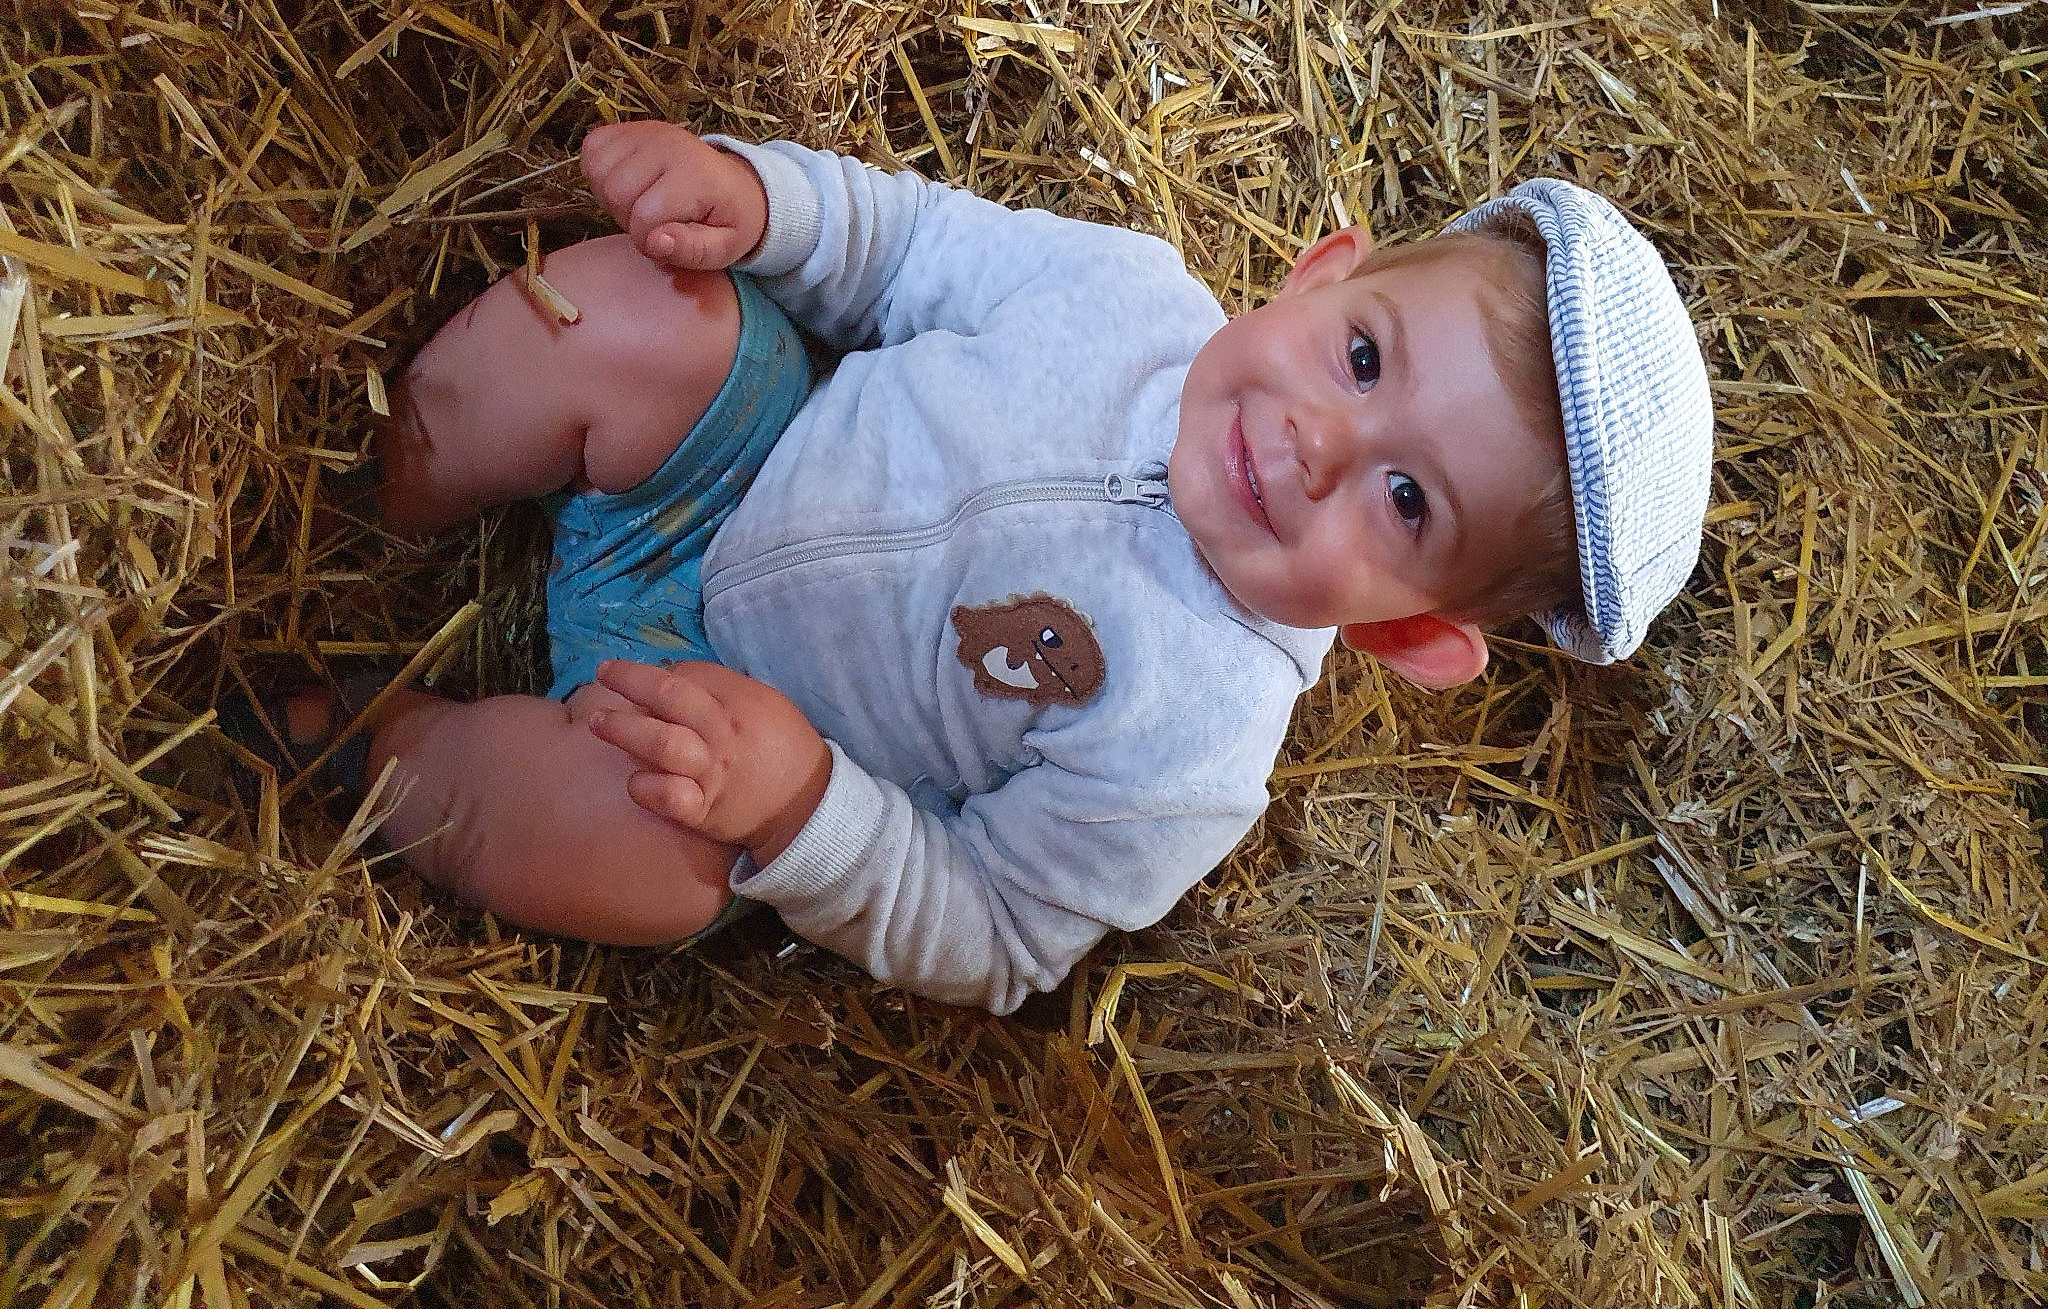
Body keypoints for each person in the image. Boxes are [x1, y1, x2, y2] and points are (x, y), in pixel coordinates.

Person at [233, 120, 1713, 1014]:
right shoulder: (1125, 292)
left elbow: (997, 931)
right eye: (1365, 355)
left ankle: (373, 751)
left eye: (1406, 499)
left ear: (1415, 635)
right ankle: (366, 501)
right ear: (1320, 273)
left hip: (709, 731)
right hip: (735, 454)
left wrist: (808, 812)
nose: (1321, 442)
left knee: (650, 866)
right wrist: (764, 205)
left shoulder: (1189, 753)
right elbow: (907, 250)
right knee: (641, 313)